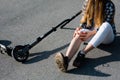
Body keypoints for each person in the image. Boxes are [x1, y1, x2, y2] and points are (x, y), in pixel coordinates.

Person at [55, 0, 116, 72]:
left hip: (107, 38)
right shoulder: (87, 2)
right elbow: (84, 22)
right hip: (92, 35)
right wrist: (79, 28)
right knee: (81, 32)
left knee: (106, 25)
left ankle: (82, 53)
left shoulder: (109, 4)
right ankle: (66, 60)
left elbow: (107, 24)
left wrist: (91, 33)